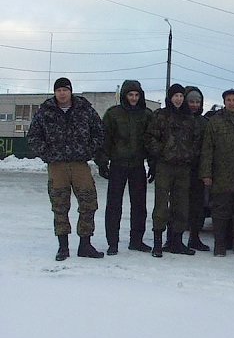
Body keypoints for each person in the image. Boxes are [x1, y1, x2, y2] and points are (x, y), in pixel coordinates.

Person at [27, 77, 105, 260]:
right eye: (59, 90)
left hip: (79, 164)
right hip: (57, 166)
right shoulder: (45, 112)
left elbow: (99, 132)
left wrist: (89, 150)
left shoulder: (85, 110)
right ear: (55, 92)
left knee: (88, 203)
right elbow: (33, 137)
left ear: (71, 91)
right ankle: (63, 247)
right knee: (60, 206)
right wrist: (47, 154)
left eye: (65, 90)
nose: (62, 93)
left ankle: (85, 245)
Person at [96, 79, 154, 255]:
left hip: (137, 165)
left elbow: (150, 141)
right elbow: (104, 139)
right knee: (114, 205)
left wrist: (153, 164)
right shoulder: (113, 114)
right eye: (130, 95)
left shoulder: (146, 114)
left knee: (139, 205)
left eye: (137, 95)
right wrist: (102, 162)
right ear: (124, 96)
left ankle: (136, 240)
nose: (134, 98)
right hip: (118, 165)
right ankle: (112, 242)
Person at [145, 84, 202, 258]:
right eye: (175, 96)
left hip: (183, 167)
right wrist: (161, 152)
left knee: (181, 205)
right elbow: (150, 137)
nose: (178, 99)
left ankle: (177, 241)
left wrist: (190, 154)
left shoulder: (189, 118)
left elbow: (196, 141)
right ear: (170, 98)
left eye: (180, 96)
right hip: (165, 166)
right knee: (161, 205)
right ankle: (157, 242)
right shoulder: (160, 115)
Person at [200, 89, 234, 256]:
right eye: (228, 100)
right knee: (220, 212)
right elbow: (207, 149)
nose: (232, 102)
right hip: (221, 175)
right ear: (224, 102)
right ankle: (220, 245)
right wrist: (206, 174)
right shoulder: (215, 122)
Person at [183, 86, 211, 252]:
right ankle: (174, 239)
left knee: (198, 207)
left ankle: (195, 238)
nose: (194, 104)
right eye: (191, 101)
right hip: (180, 169)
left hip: (198, 170)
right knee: (179, 206)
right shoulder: (179, 119)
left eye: (197, 102)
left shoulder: (204, 123)